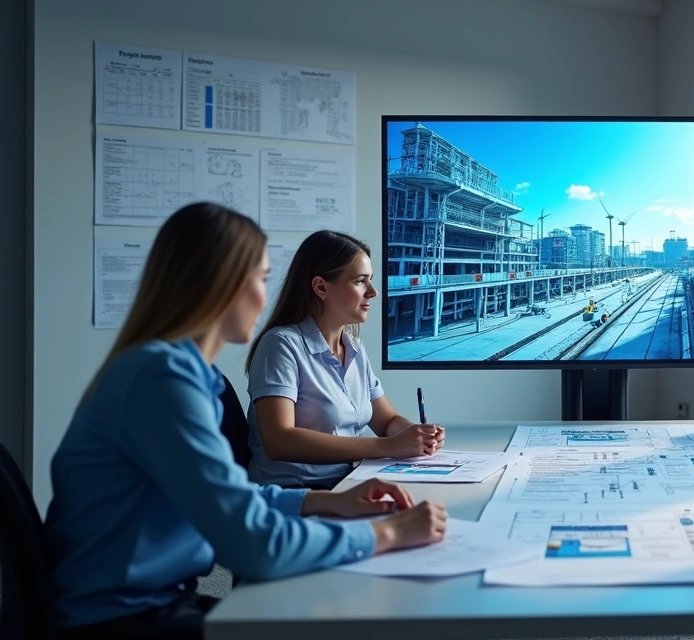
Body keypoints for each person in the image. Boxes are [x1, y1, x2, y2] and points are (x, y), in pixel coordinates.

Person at [45, 203, 448, 640]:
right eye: (259, 277)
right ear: (219, 286)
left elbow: (233, 498)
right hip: (122, 618)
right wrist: (386, 533)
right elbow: (255, 545)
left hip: (155, 600)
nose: (265, 294)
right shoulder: (162, 380)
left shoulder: (181, 375)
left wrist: (326, 502)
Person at [245, 230, 444, 490]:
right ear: (321, 287)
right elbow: (279, 441)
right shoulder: (280, 345)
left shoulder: (354, 348)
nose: (372, 292)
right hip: (296, 494)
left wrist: (417, 436)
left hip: (345, 484)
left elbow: (387, 421)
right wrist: (387, 446)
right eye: (360, 281)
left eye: (371, 280)